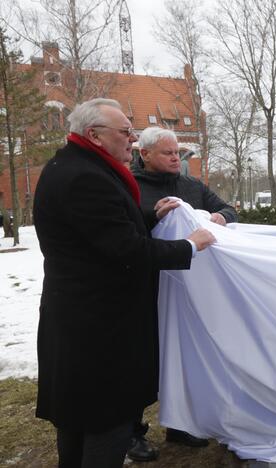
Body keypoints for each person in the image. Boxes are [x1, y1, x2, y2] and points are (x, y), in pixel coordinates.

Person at [32, 98, 215, 468]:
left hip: (79, 321)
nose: (132, 139)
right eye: (125, 132)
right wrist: (188, 246)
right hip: (98, 328)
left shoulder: (75, 166)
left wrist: (149, 216)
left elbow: (100, 236)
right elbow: (126, 251)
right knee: (105, 421)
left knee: (77, 418)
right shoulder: (86, 177)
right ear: (95, 136)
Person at [125, 127, 237, 461]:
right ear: (144, 154)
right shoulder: (131, 188)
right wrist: (153, 218)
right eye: (168, 153)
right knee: (144, 359)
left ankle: (181, 421)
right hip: (148, 287)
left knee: (185, 354)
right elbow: (128, 236)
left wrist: (216, 217)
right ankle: (132, 432)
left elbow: (229, 210)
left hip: (189, 290)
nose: (176, 158)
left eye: (178, 153)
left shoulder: (191, 186)